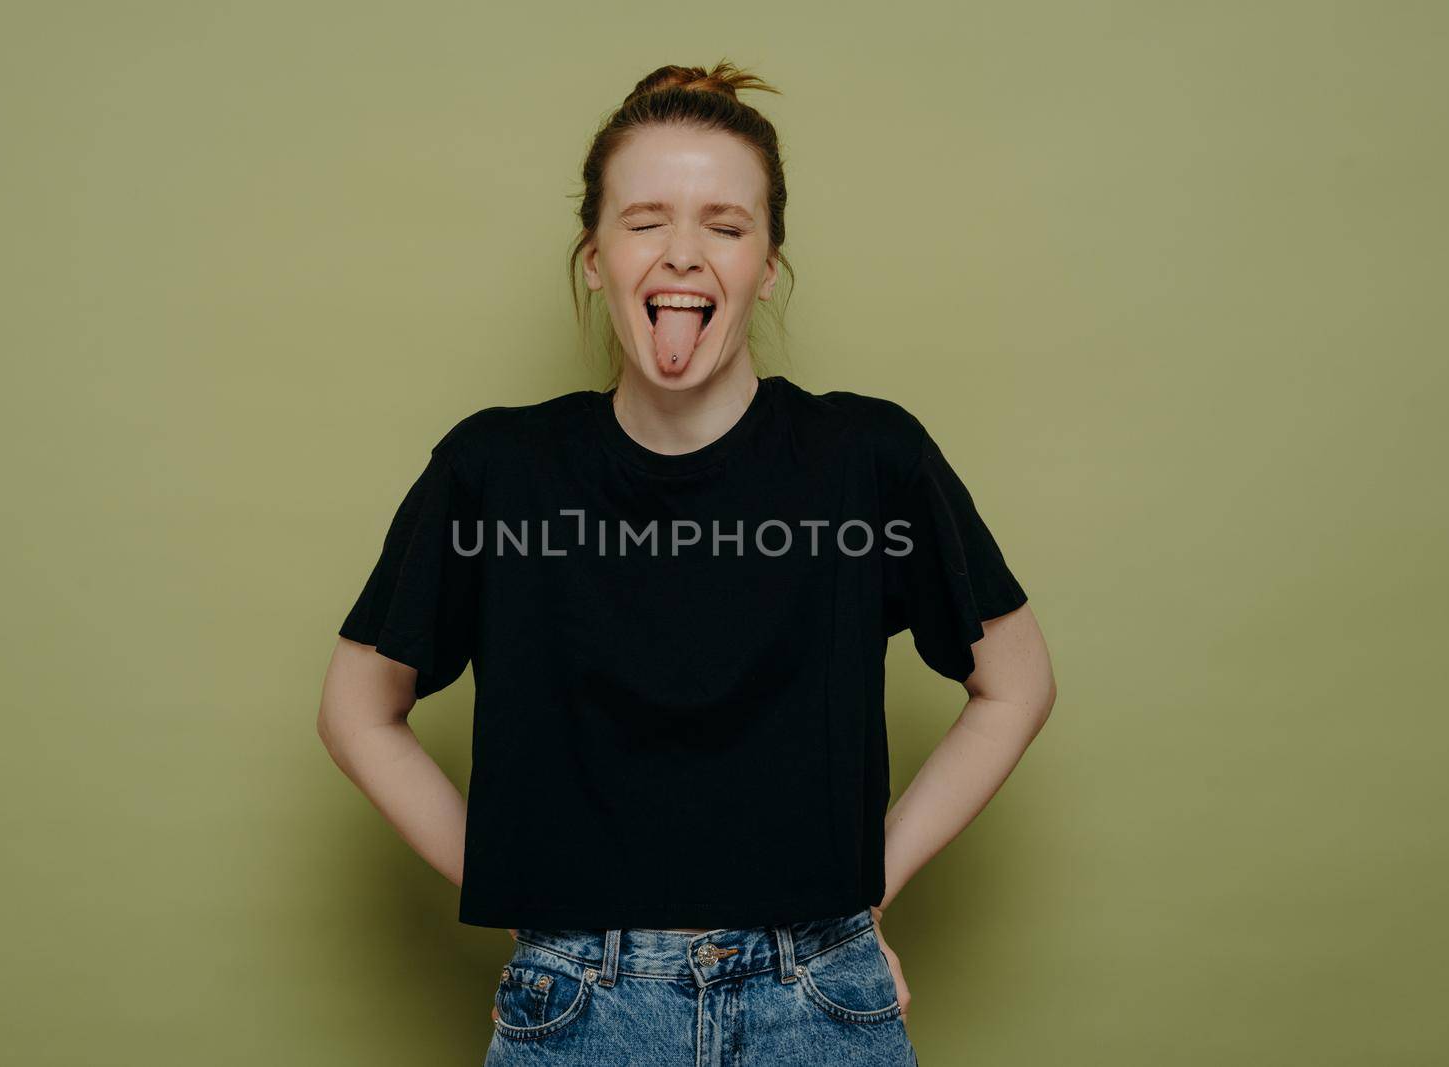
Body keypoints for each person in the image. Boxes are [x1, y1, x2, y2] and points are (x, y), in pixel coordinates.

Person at [317, 60, 1057, 1066]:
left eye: (725, 223)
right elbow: (355, 709)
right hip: (576, 1007)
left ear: (767, 260)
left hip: (819, 1002)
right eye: (644, 218)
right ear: (593, 256)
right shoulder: (496, 471)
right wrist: (521, 880)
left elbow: (1015, 685)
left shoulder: (867, 461)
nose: (682, 254)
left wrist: (865, 880)